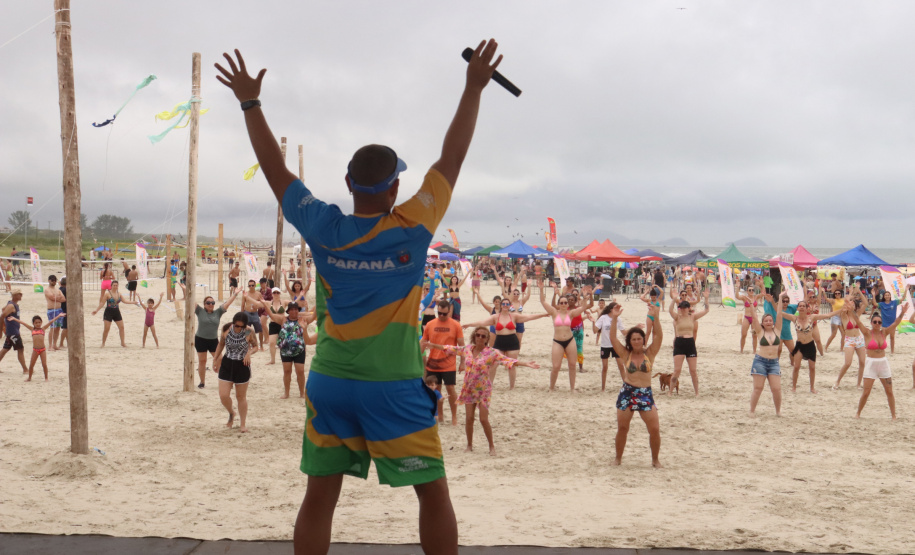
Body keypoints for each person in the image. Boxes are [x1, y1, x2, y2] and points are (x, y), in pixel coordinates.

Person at [216, 39, 505, 553]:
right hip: (393, 386)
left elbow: (276, 173)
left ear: (348, 182)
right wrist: (474, 87)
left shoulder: (324, 225)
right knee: (432, 495)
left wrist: (250, 103)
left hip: (331, 382)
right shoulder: (414, 223)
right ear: (395, 189)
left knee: (319, 499)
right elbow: (453, 156)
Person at [422, 326, 539, 455]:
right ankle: (469, 445)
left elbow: (507, 360)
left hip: (484, 390)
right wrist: (432, 345)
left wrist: (525, 363)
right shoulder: (467, 349)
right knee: (469, 418)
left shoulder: (491, 353)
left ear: (487, 339)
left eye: (483, 336)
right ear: (474, 336)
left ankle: (491, 446)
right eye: (478, 335)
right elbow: (450, 348)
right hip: (469, 389)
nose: (480, 338)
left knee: (483, 419)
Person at [608, 302, 663, 467]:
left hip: (645, 394)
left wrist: (656, 317)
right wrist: (615, 318)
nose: (637, 341)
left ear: (643, 340)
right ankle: (618, 458)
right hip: (628, 392)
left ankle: (655, 460)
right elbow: (613, 338)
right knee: (623, 428)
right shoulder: (626, 354)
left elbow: (659, 337)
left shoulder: (650, 353)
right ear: (630, 341)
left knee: (654, 429)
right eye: (634, 339)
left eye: (639, 338)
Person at [461, 297, 545, 389]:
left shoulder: (514, 316)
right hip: (499, 342)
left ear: (510, 306)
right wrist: (469, 324)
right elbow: (482, 322)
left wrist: (543, 315)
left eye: (507, 304)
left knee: (512, 365)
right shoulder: (495, 317)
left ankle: (512, 387)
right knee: (494, 364)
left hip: (512, 342)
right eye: (503, 304)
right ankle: (490, 385)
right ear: (501, 305)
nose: (505, 305)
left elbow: (529, 317)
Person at [847, 303, 908, 419]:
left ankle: (893, 415)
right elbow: (858, 321)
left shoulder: (884, 332)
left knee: (889, 391)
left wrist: (902, 312)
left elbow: (895, 323)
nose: (877, 324)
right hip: (871, 363)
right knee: (866, 392)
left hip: (883, 363)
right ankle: (858, 413)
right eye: (874, 322)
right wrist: (851, 311)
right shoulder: (867, 333)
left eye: (879, 322)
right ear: (871, 323)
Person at [540, 279, 592, 392]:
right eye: (561, 303)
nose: (563, 304)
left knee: (572, 365)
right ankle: (551, 387)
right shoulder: (554, 313)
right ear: (559, 304)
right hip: (557, 341)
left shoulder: (571, 313)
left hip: (570, 340)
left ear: (567, 304)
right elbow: (543, 302)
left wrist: (584, 297)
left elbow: (583, 308)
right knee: (556, 366)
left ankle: (572, 388)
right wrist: (541, 289)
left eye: (565, 303)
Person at [780, 299, 839, 393]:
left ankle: (812, 388)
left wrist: (841, 310)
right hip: (799, 345)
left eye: (804, 306)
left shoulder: (812, 317)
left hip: (810, 345)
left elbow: (827, 315)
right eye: (800, 306)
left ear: (807, 308)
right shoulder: (794, 318)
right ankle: (794, 387)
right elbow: (780, 312)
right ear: (797, 308)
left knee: (812, 367)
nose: (802, 307)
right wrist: (777, 299)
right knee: (796, 367)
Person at [213, 313, 259, 432]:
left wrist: (249, 353)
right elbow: (221, 344)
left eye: (241, 326)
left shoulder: (249, 331)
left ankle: (242, 424)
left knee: (241, 397)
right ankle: (231, 412)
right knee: (223, 395)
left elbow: (255, 346)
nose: (238, 328)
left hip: (242, 365)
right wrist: (215, 359)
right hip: (227, 363)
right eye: (236, 326)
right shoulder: (226, 329)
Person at [422, 300, 465, 425]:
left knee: (450, 388)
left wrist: (462, 362)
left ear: (449, 312)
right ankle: (439, 415)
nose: (441, 316)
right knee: (436, 389)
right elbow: (423, 343)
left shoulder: (455, 325)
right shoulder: (430, 324)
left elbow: (462, 346)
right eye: (439, 313)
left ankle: (454, 416)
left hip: (448, 363)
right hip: (433, 362)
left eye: (444, 314)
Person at [267, 302, 317, 399]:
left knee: (300, 371)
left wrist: (318, 305)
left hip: (299, 350)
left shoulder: (303, 319)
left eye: (296, 309)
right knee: (287, 371)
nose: (294, 311)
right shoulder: (283, 319)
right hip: (285, 350)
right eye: (292, 309)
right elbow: (271, 315)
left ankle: (302, 393)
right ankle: (286, 393)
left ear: (298, 310)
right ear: (288, 311)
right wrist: (264, 304)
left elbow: (313, 316)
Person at [747, 293, 786, 416]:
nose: (768, 322)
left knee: (776, 389)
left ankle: (778, 411)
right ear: (763, 323)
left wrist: (780, 298)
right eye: (766, 321)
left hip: (774, 362)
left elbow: (779, 314)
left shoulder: (777, 330)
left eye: (770, 320)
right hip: (760, 361)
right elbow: (754, 317)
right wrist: (752, 304)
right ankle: (752, 410)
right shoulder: (760, 331)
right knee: (758, 388)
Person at [668, 288, 710, 396]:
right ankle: (670, 392)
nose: (683, 309)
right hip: (680, 342)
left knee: (693, 371)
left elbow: (706, 310)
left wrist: (706, 298)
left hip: (690, 343)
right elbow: (670, 310)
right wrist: (674, 299)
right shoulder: (677, 317)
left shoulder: (693, 317)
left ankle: (697, 393)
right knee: (677, 370)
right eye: (681, 308)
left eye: (685, 307)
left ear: (688, 308)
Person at [194, 291, 240, 388]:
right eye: (208, 303)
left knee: (220, 359)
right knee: (202, 361)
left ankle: (223, 380)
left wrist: (235, 294)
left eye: (213, 303)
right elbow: (191, 300)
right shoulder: (200, 311)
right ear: (204, 304)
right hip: (200, 339)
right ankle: (202, 382)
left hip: (213, 340)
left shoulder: (218, 312)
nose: (211, 304)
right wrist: (185, 288)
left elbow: (227, 303)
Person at [594, 301, 640, 391]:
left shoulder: (618, 319)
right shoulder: (603, 318)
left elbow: (624, 332)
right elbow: (595, 330)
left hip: (615, 344)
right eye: (616, 307)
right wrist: (593, 322)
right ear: (611, 309)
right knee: (605, 367)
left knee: (621, 366)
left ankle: (626, 386)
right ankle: (603, 388)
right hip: (605, 345)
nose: (618, 309)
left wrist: (635, 327)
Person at [8, 312, 65, 381]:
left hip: (42, 350)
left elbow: (51, 322)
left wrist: (59, 316)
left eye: (39, 322)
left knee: (44, 365)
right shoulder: (32, 329)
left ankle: (46, 378)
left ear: (41, 322)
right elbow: (23, 323)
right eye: (36, 323)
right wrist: (14, 319)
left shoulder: (43, 329)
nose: (38, 324)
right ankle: (29, 378)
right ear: (33, 323)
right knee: (31, 365)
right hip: (35, 350)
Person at [833, 298, 868, 390]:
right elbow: (844, 304)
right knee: (848, 363)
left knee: (862, 362)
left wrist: (859, 291)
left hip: (859, 339)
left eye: (853, 304)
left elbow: (865, 303)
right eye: (850, 304)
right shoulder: (843, 315)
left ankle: (858, 384)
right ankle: (837, 381)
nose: (851, 305)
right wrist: (848, 301)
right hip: (849, 340)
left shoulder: (857, 315)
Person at [91, 281, 135, 348]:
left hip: (116, 312)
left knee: (122, 327)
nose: (115, 287)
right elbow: (102, 303)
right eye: (114, 285)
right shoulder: (107, 294)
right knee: (106, 329)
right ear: (111, 286)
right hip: (108, 312)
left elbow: (125, 301)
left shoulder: (119, 294)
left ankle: (123, 343)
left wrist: (133, 302)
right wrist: (96, 310)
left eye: (116, 285)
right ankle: (103, 343)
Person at [0, 290, 28, 373]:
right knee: (20, 349)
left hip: (12, 331)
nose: (21, 296)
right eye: (19, 294)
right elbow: (2, 316)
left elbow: (3, 309)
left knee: (5, 349)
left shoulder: (14, 304)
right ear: (15, 295)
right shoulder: (11, 306)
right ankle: (25, 369)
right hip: (13, 332)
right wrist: (1, 329)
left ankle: (25, 369)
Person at [240, 279, 265, 349]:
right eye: (249, 285)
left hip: (255, 313)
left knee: (260, 330)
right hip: (247, 313)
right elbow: (242, 305)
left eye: (252, 285)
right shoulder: (245, 294)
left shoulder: (258, 294)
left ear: (255, 286)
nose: (251, 287)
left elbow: (262, 304)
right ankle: (248, 347)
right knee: (247, 330)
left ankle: (261, 346)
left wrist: (257, 306)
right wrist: (241, 315)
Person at [44, 274, 66, 351]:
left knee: (58, 328)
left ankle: (54, 344)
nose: (54, 282)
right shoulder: (47, 290)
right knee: (52, 328)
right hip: (52, 310)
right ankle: (50, 345)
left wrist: (57, 298)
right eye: (52, 280)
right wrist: (58, 297)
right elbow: (52, 298)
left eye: (55, 280)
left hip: (59, 309)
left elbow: (64, 299)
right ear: (49, 281)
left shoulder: (58, 290)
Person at [737, 286, 760, 354]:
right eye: (750, 290)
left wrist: (761, 284)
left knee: (754, 335)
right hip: (747, 317)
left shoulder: (756, 297)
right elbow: (737, 296)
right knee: (743, 335)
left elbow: (763, 293)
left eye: (753, 290)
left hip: (754, 318)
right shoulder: (745, 298)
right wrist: (737, 287)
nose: (751, 291)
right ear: (747, 291)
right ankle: (741, 350)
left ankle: (754, 351)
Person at [59, 277, 68, 349]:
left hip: (61, 309)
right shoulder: (65, 290)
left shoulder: (59, 289)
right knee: (66, 327)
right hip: (65, 309)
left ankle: (68, 343)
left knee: (66, 328)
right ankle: (61, 343)